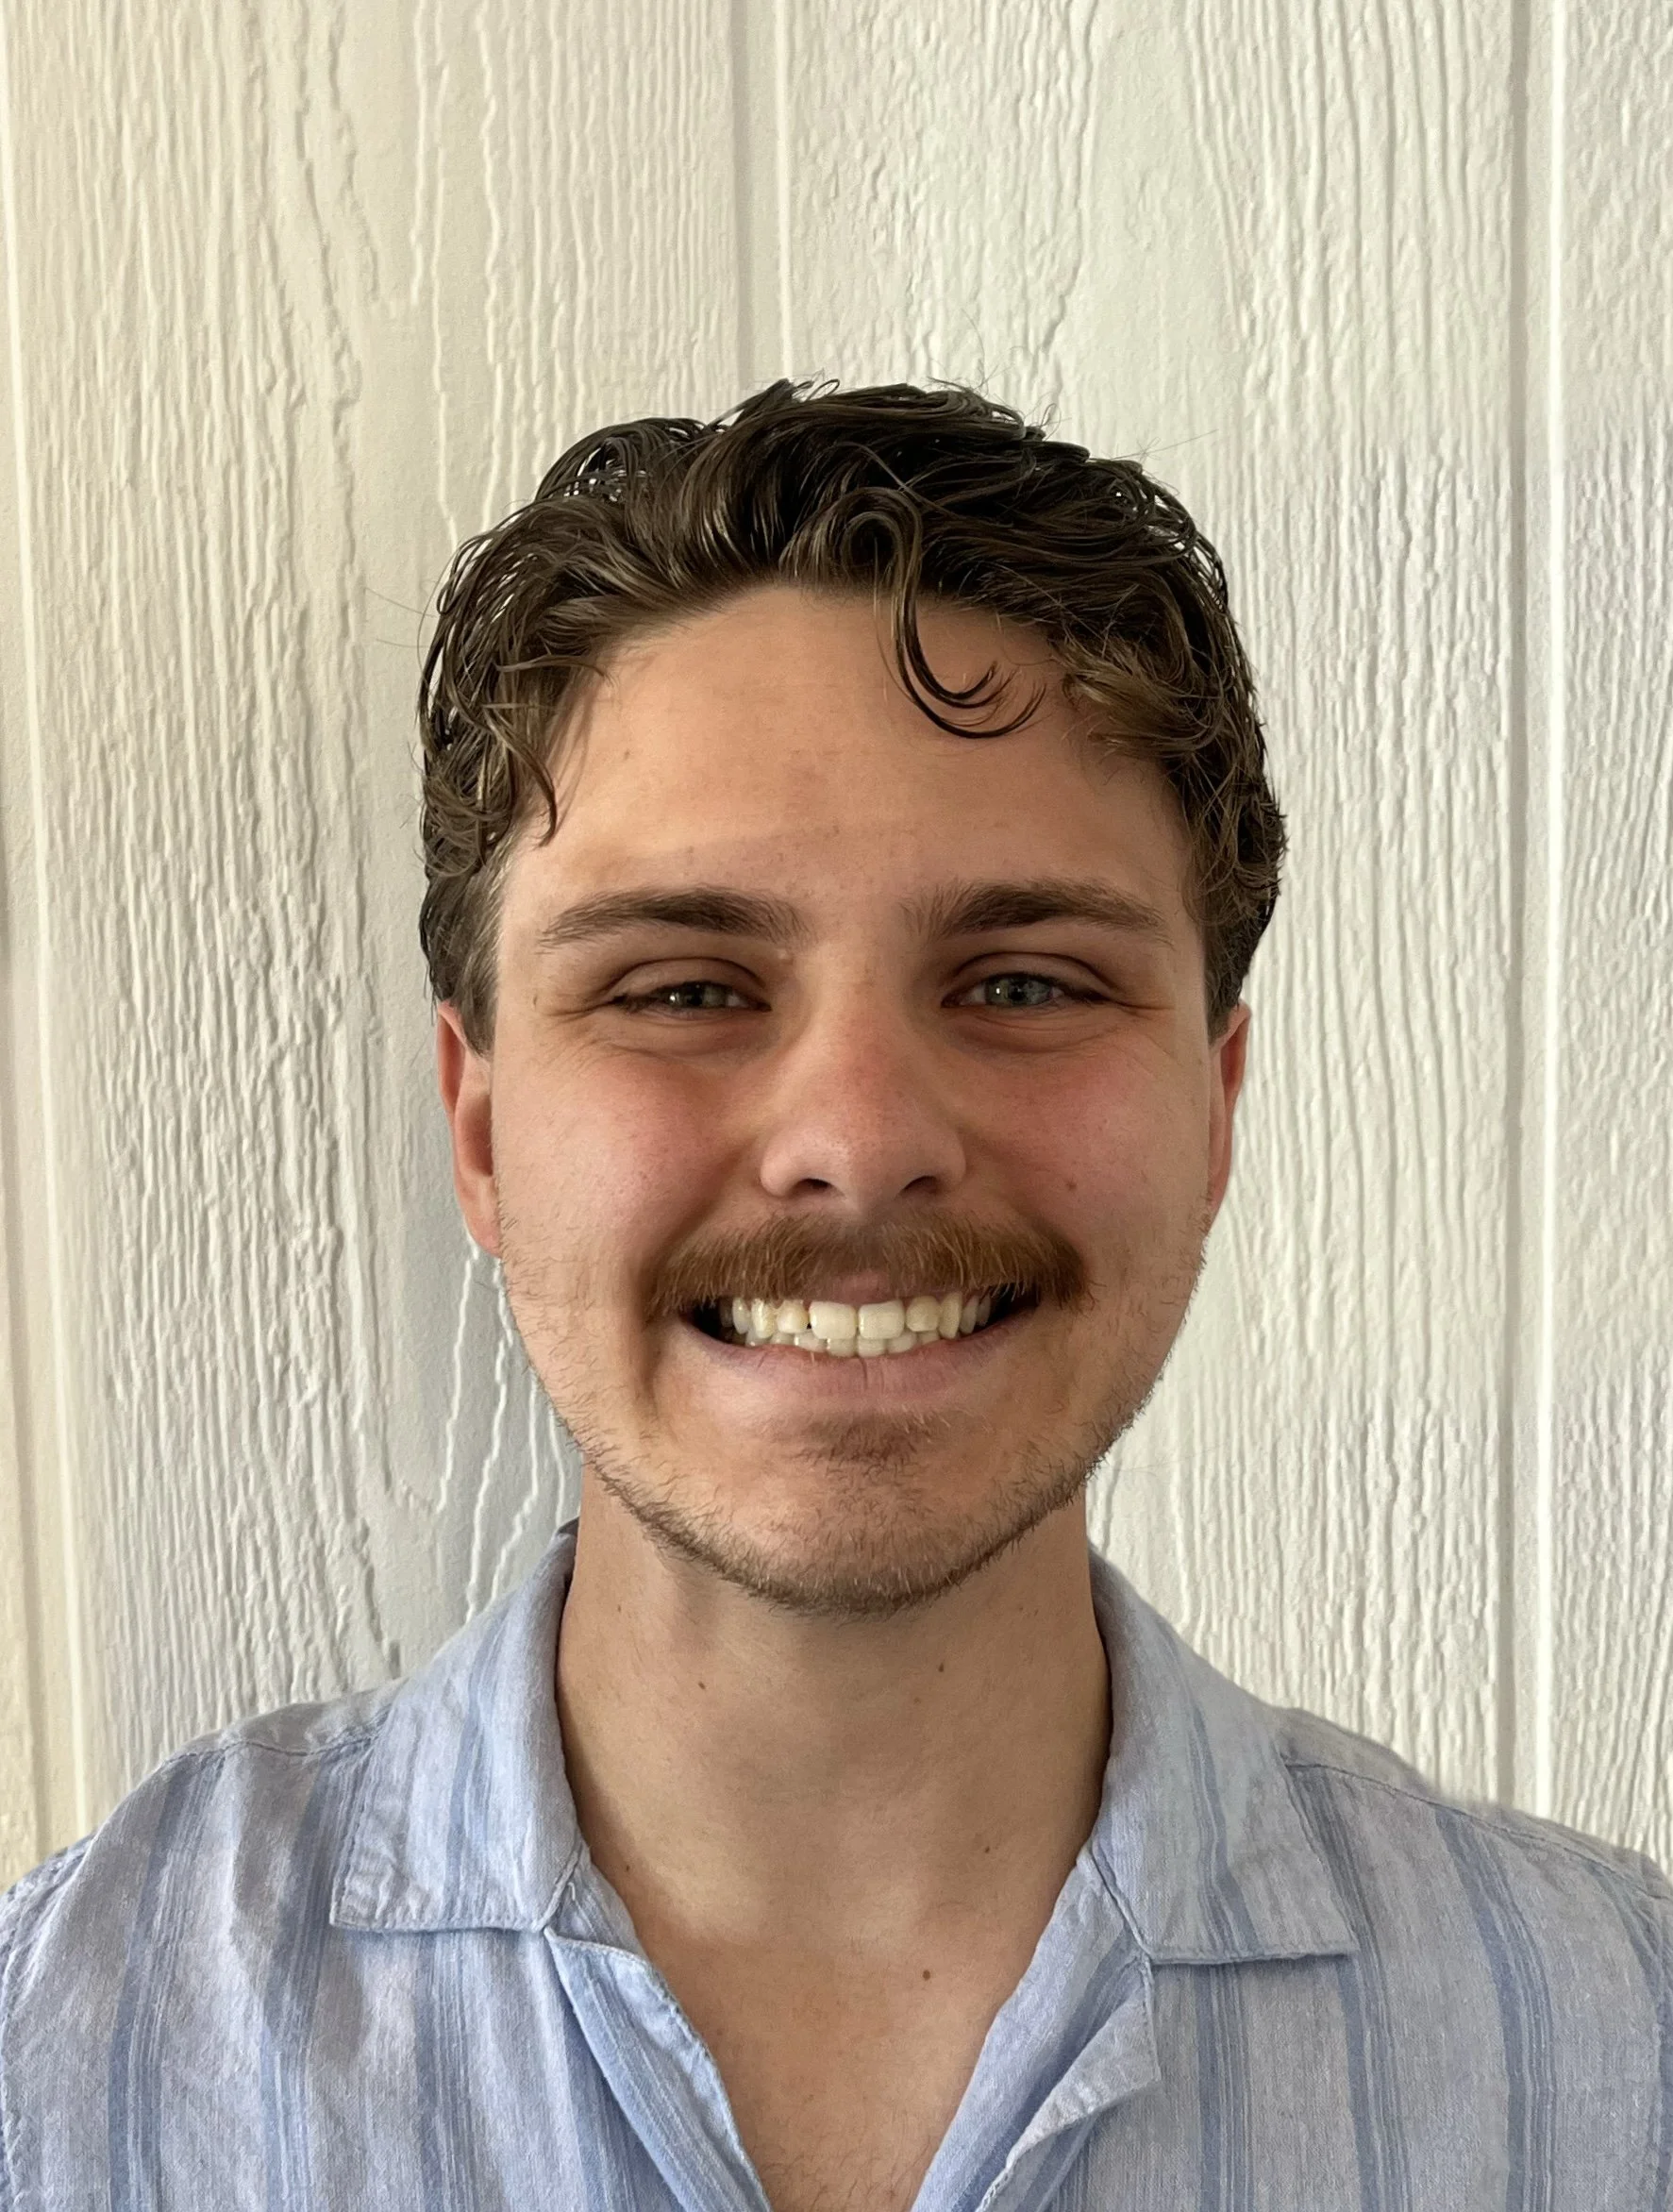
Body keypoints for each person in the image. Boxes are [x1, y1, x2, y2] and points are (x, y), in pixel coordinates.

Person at [1, 380, 1666, 2212]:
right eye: (684, 986)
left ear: (1212, 1104)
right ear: (479, 1128)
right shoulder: (57, 2061)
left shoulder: (1610, 2047)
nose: (860, 1140)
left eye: (1025, 983)